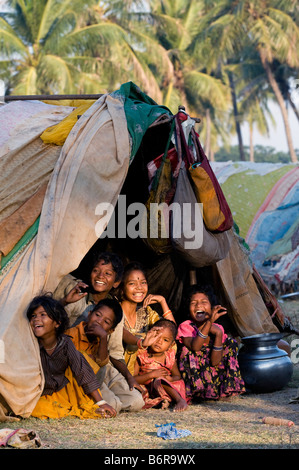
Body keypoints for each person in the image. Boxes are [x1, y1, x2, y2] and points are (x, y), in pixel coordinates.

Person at [54, 252, 144, 412]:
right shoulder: (77, 294)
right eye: (96, 271)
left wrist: (130, 377)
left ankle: (100, 399)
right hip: (76, 363)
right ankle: (96, 400)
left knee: (136, 401)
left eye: (108, 274)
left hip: (101, 363)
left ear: (116, 282)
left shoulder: (115, 310)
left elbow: (114, 353)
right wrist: (65, 301)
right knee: (114, 404)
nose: (100, 276)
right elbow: (52, 323)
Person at [26, 294, 116, 420]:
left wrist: (101, 401)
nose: (36, 319)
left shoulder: (65, 342)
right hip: (41, 394)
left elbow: (82, 371)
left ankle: (81, 407)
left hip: (64, 392)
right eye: (33, 316)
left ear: (57, 323)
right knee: (35, 408)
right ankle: (68, 411)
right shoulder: (30, 344)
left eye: (43, 315)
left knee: (80, 358)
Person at [66, 298, 144, 414]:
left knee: (137, 401)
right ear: (89, 314)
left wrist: (103, 338)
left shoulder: (102, 337)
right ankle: (108, 402)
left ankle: (110, 399)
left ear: (111, 331)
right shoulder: (70, 336)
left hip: (104, 371)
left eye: (106, 322)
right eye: (97, 315)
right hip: (86, 379)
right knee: (113, 405)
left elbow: (103, 362)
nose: (99, 322)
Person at [177, 284, 246, 402]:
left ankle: (224, 389)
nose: (198, 305)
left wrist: (219, 334)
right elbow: (195, 347)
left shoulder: (217, 328)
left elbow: (215, 362)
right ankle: (197, 393)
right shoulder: (186, 326)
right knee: (186, 349)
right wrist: (209, 323)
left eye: (204, 302)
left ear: (212, 307)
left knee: (230, 342)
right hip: (197, 378)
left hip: (213, 376)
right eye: (193, 303)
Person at [119, 262, 176, 375]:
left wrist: (162, 301)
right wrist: (142, 342)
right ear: (122, 287)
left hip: (142, 372)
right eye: (132, 283)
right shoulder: (114, 310)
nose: (139, 287)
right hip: (118, 369)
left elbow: (172, 332)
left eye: (143, 282)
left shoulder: (146, 312)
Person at [134, 319, 187, 412]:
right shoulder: (141, 355)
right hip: (147, 389)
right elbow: (134, 379)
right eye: (156, 337)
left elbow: (177, 376)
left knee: (160, 380)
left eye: (165, 340)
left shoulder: (169, 356)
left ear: (171, 344)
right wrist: (151, 375)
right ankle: (163, 401)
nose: (159, 342)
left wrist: (170, 379)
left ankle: (179, 400)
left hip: (165, 387)